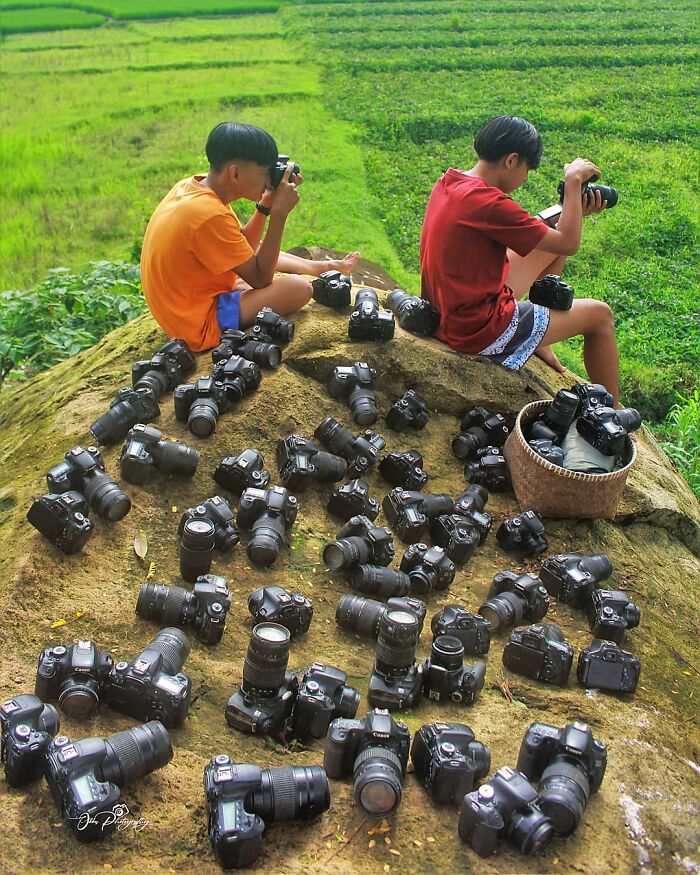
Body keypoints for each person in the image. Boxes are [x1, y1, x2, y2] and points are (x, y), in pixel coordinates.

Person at [420, 115, 620, 404]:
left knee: (548, 237)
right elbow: (569, 243)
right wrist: (573, 182)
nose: (526, 178)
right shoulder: (490, 203)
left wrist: (571, 210)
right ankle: (611, 409)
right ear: (512, 160)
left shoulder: (450, 182)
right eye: (528, 169)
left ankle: (538, 336)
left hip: (447, 310)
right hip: (476, 328)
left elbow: (548, 236)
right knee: (600, 316)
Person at [141, 121, 360, 352]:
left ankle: (321, 267)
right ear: (235, 173)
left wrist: (265, 205)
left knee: (258, 255)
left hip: (186, 304)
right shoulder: (207, 215)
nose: (268, 181)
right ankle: (317, 269)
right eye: (265, 173)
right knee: (299, 289)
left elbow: (243, 244)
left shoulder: (194, 188)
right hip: (199, 323)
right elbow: (261, 278)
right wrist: (279, 215)